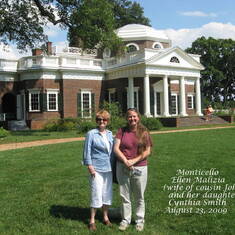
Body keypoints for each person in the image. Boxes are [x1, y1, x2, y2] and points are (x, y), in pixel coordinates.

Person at [114, 108, 152, 232]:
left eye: (134, 116)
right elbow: (116, 148)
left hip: (140, 166)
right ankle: (125, 220)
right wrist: (126, 161)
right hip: (122, 166)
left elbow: (147, 151)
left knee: (139, 196)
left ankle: (140, 220)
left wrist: (133, 161)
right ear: (127, 118)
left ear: (138, 117)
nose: (132, 119)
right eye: (130, 116)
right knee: (124, 195)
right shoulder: (121, 131)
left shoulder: (144, 132)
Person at [83, 110, 114, 231]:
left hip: (109, 168)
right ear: (96, 121)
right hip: (96, 169)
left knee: (107, 193)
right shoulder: (91, 134)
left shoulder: (110, 134)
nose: (102, 122)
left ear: (107, 121)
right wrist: (89, 165)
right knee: (96, 193)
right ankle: (92, 220)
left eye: (104, 119)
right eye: (99, 119)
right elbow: (87, 151)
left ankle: (105, 217)